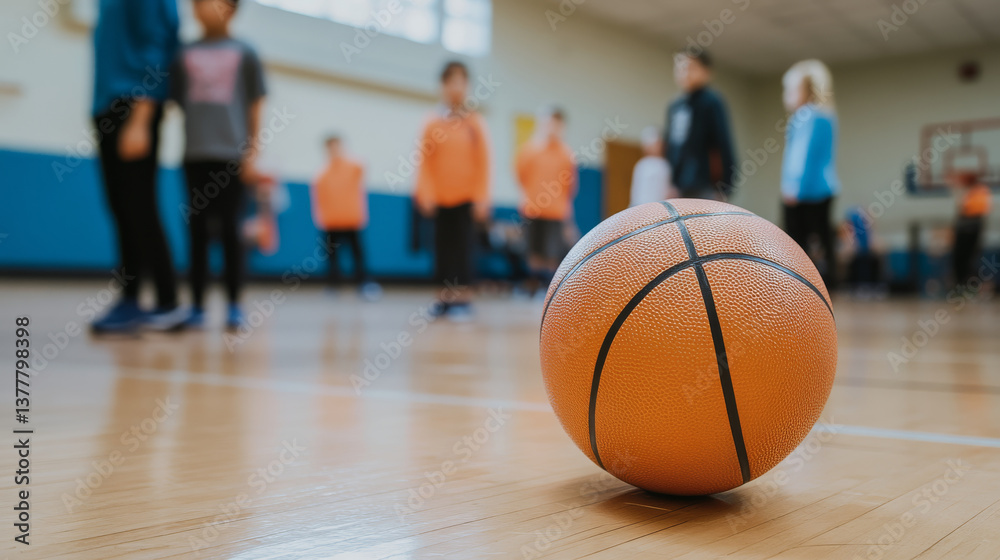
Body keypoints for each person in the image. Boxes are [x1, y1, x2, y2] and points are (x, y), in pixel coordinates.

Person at [169, 0, 267, 330]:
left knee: (230, 231)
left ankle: (234, 305)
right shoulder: (183, 53)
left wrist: (252, 152)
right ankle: (196, 304)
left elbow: (256, 105)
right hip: (195, 154)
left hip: (232, 156)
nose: (200, 6)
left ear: (230, 8)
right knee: (196, 229)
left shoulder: (246, 52)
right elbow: (177, 100)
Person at [90, 0, 184, 333]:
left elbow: (157, 46)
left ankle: (166, 299)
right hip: (108, 104)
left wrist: (141, 117)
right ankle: (132, 299)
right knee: (121, 206)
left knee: (139, 205)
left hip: (133, 106)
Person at [415, 61, 492, 321]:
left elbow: (483, 163)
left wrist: (482, 197)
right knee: (441, 249)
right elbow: (424, 161)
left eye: (461, 81)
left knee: (464, 249)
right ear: (443, 86)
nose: (456, 87)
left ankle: (463, 300)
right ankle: (443, 300)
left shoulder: (476, 124)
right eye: (451, 81)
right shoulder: (431, 123)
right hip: (439, 199)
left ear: (467, 86)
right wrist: (425, 193)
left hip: (467, 199)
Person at [780, 59, 840, 290]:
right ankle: (829, 285)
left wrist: (792, 187)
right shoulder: (828, 115)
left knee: (797, 244)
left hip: (805, 191)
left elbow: (800, 156)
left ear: (805, 90)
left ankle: (801, 286)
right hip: (825, 188)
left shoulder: (805, 116)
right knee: (825, 239)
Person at [515, 107, 577, 294]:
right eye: (549, 122)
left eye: (557, 124)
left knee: (551, 252)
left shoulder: (566, 154)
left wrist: (568, 216)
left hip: (556, 212)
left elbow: (570, 187)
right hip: (532, 208)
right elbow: (520, 175)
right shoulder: (529, 150)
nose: (553, 127)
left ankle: (547, 290)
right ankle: (533, 286)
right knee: (533, 251)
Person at [311, 135, 381, 299]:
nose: (334, 150)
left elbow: (363, 167)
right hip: (331, 222)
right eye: (331, 147)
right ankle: (333, 285)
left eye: (337, 146)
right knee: (332, 257)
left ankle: (363, 283)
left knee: (358, 254)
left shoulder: (354, 167)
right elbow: (318, 200)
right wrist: (321, 219)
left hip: (352, 220)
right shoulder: (322, 174)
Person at [664, 49, 736, 200]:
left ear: (706, 72)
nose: (684, 73)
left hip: (705, 185)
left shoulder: (711, 103)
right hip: (679, 186)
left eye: (690, 67)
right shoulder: (675, 106)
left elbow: (722, 144)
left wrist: (724, 186)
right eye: (680, 68)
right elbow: (671, 149)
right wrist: (670, 182)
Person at [952, 171, 991, 292]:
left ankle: (971, 286)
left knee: (968, 259)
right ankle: (961, 285)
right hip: (964, 232)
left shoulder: (979, 192)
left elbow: (970, 210)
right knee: (960, 259)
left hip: (970, 232)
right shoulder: (969, 193)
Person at [630, 125, 675, 206]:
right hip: (642, 206)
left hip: (660, 207)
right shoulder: (643, 164)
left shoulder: (665, 164)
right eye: (655, 144)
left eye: (659, 143)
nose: (658, 146)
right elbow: (638, 191)